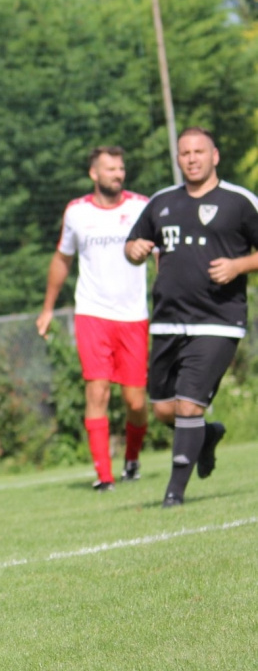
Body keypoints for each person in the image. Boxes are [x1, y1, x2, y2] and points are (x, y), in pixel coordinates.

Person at [124, 127, 258, 507]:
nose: (192, 158)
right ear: (178, 158)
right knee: (164, 409)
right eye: (185, 153)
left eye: (199, 151)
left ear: (215, 156)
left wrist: (238, 266)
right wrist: (134, 250)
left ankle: (174, 494)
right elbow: (133, 246)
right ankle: (207, 435)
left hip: (218, 319)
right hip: (167, 321)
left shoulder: (239, 201)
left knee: (188, 405)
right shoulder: (162, 201)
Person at [36, 147, 150, 491]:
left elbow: (161, 254)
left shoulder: (141, 207)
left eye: (121, 168)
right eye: (110, 168)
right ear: (94, 174)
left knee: (135, 401)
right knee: (97, 391)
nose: (118, 174)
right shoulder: (77, 212)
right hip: (92, 314)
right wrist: (47, 308)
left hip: (133, 315)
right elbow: (62, 259)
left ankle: (132, 459)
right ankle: (104, 476)